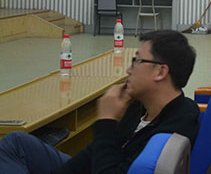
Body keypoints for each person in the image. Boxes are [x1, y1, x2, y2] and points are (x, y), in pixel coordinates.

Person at [0, 30, 200, 174]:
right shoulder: (141, 107)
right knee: (16, 142)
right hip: (101, 163)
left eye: (137, 61)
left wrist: (106, 120)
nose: (129, 70)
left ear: (160, 72)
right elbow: (94, 152)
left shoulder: (179, 122)